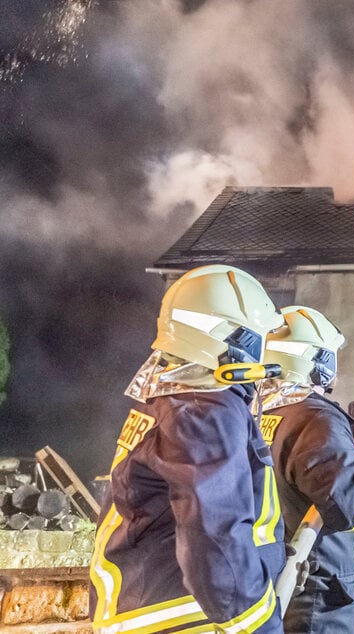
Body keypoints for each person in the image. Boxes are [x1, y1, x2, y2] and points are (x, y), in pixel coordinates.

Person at [90, 264, 286, 633]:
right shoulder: (204, 407)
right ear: (234, 340)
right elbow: (214, 528)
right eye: (259, 338)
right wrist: (255, 623)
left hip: (146, 604)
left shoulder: (170, 396)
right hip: (185, 615)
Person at [258, 306, 354, 634]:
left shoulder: (262, 416)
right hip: (327, 596)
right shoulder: (315, 419)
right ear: (316, 360)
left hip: (287, 586)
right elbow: (352, 509)